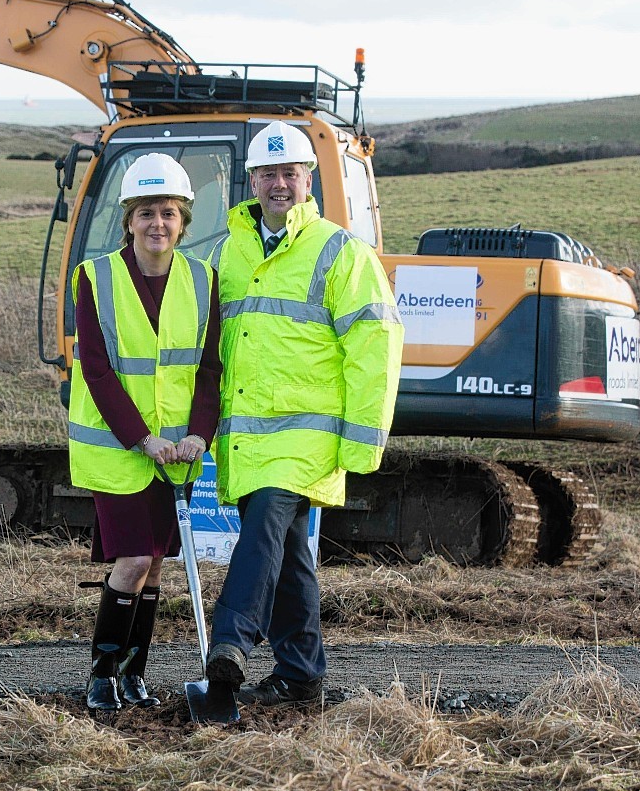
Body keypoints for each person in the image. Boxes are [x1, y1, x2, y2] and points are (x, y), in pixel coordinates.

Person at [204, 119, 404, 708]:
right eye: (267, 174)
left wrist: (362, 439)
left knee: (262, 533)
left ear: (308, 178)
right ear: (251, 180)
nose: (278, 184)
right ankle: (301, 676)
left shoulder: (341, 252)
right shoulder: (227, 252)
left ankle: (229, 647)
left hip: (306, 438)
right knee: (289, 556)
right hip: (246, 439)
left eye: (289, 172)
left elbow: (376, 347)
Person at [69, 152, 222, 712]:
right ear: (128, 219)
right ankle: (102, 674)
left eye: (169, 212)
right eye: (146, 213)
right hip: (118, 451)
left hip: (177, 453)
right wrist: (142, 439)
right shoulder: (96, 277)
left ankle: (135, 675)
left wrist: (200, 434)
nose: (158, 224)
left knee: (156, 563)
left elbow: (209, 371)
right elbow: (97, 371)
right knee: (132, 560)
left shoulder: (203, 281)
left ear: (183, 220)